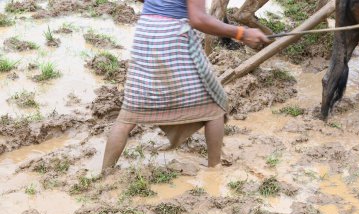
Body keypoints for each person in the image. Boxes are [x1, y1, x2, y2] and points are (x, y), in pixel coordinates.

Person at [101, 0, 269, 176]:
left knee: (128, 114)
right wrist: (242, 32)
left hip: (146, 32)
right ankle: (215, 170)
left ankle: (105, 175)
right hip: (173, 36)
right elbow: (198, 19)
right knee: (215, 104)